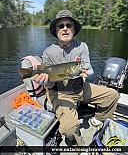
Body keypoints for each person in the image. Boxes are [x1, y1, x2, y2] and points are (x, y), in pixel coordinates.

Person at [33, 10, 119, 146]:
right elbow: (50, 84)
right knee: (69, 129)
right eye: (61, 26)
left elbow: (87, 67)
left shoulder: (82, 46)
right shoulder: (48, 52)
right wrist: (45, 81)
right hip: (61, 93)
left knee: (113, 95)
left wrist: (88, 71)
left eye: (69, 25)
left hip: (81, 87)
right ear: (56, 31)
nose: (65, 28)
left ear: (74, 29)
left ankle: (98, 118)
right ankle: (78, 142)